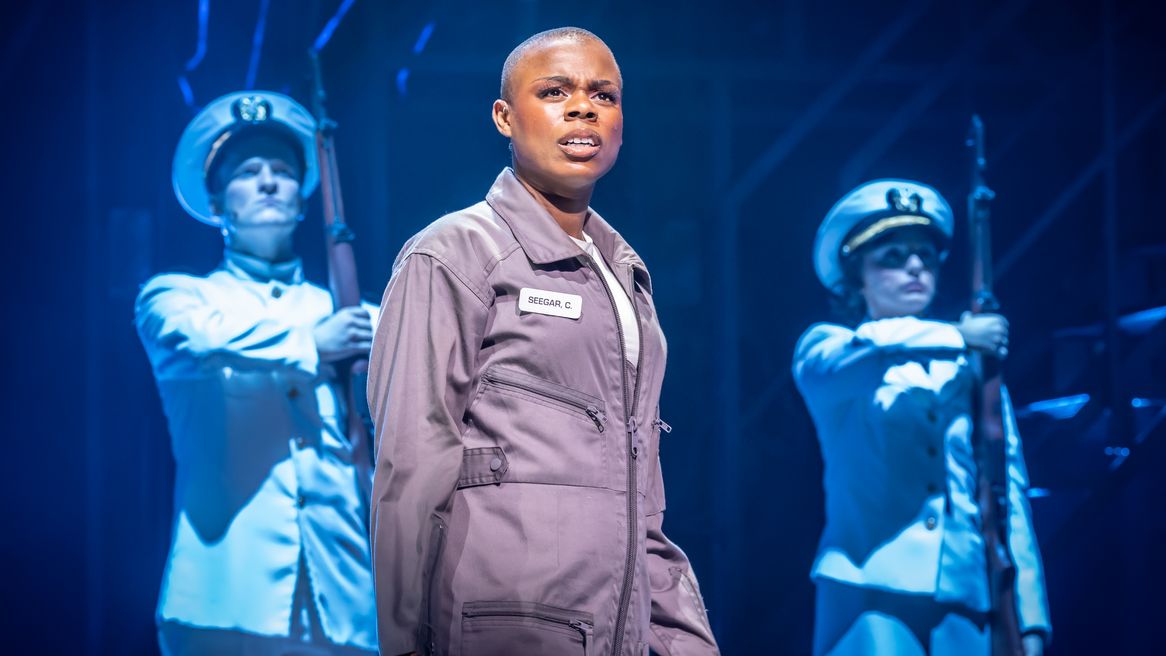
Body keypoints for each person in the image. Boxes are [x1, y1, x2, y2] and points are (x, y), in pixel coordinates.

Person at [367, 27, 719, 656]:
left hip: (613, 627)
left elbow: (641, 493)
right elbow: (411, 463)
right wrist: (401, 640)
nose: (582, 107)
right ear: (504, 116)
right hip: (502, 626)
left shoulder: (626, 275)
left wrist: (677, 633)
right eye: (555, 91)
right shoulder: (453, 253)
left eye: (603, 95)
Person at [136, 91, 378, 655]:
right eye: (248, 172)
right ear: (218, 203)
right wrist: (310, 344)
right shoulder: (176, 298)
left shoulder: (356, 317)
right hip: (222, 600)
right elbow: (198, 341)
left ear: (301, 200)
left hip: (347, 604)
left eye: (283, 172)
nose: (269, 182)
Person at [792, 179, 1052, 655]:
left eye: (925, 256)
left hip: (967, 590)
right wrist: (961, 335)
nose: (914, 265)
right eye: (892, 256)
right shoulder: (829, 347)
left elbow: (1008, 491)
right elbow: (861, 353)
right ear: (857, 276)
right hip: (870, 589)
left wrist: (1030, 614)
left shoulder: (969, 367)